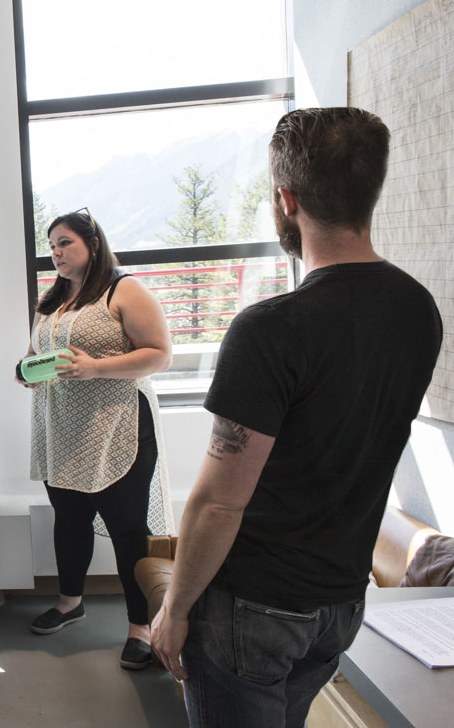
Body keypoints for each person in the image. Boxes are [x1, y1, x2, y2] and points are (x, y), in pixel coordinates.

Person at [150, 107, 443, 728]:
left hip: (252, 609)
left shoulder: (270, 330)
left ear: (287, 200)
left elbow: (218, 503)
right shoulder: (419, 312)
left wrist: (174, 608)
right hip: (340, 602)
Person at [20, 209, 174, 671]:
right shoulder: (54, 299)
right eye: (51, 247)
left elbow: (160, 355)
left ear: (92, 243)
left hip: (117, 427)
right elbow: (37, 353)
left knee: (128, 531)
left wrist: (95, 368)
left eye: (65, 243)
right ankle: (71, 602)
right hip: (61, 426)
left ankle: (141, 627)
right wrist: (27, 369)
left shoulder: (123, 289)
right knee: (69, 520)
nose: (57, 253)